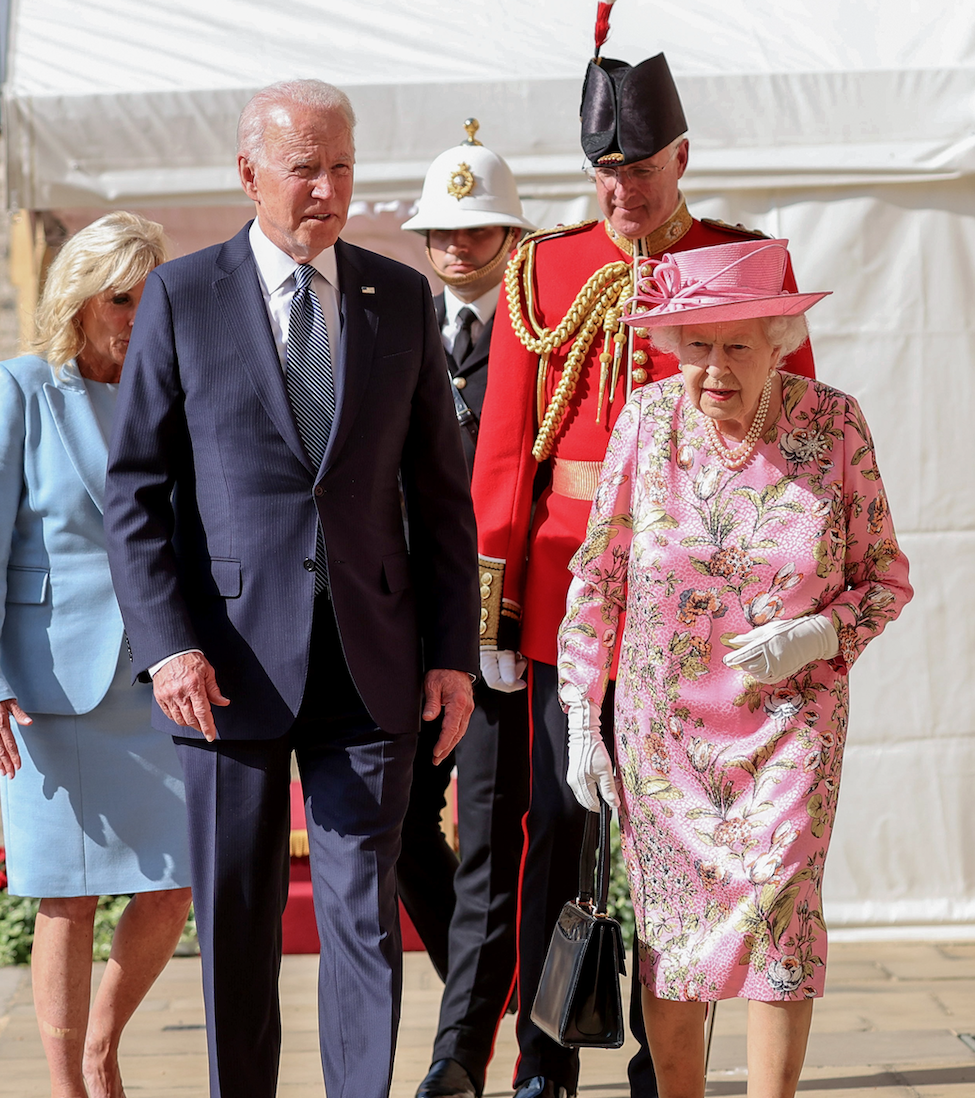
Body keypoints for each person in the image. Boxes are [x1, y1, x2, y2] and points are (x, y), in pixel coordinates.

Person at [102, 80, 480, 1098]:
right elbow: (134, 491)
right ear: (249, 173)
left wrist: (451, 654)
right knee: (239, 914)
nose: (327, 187)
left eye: (343, 166)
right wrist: (168, 642)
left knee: (364, 911)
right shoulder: (182, 296)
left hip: (374, 659)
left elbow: (442, 502)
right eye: (304, 166)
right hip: (223, 668)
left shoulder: (399, 297)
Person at [470, 40, 821, 1098]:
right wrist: (494, 607)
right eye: (604, 171)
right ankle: (542, 1060)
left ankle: (666, 1067)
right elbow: (501, 449)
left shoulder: (740, 260)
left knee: (701, 858)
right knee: (556, 839)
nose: (621, 190)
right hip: (568, 602)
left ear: (681, 159)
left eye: (639, 167)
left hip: (705, 618)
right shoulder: (543, 268)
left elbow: (791, 440)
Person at [559, 238, 911, 1098]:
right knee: (674, 935)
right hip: (665, 730)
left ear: (779, 342)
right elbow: (599, 574)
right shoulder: (646, 421)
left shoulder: (833, 423)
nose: (713, 368)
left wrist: (819, 636)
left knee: (782, 915)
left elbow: (886, 579)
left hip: (794, 725)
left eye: (737, 346)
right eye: (698, 346)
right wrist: (580, 710)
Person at [0, 211, 193, 1098]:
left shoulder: (165, 392)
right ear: (80, 299)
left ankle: (102, 1049)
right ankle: (67, 1088)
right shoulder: (19, 387)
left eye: (147, 297)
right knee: (68, 894)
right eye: (119, 298)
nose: (135, 316)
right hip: (50, 687)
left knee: (174, 885)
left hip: (155, 677)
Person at [394, 120, 535, 1098]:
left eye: (478, 229)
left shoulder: (540, 336)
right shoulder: (395, 327)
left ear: (510, 237)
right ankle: (483, 995)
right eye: (442, 232)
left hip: (498, 632)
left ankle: (461, 1053)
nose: (457, 247)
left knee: (489, 837)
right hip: (397, 628)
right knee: (400, 831)